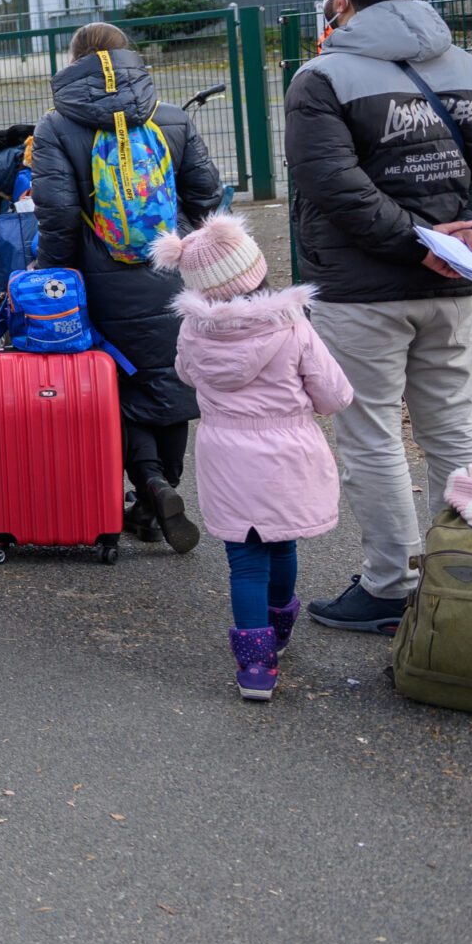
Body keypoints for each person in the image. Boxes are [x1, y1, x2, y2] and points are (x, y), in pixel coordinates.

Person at [288, 0, 472, 632]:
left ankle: (390, 585)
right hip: (453, 285)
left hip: (364, 292)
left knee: (372, 435)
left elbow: (332, 183)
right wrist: (471, 234)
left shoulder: (321, 79)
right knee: (453, 426)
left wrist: (408, 242)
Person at [30, 22, 224, 550]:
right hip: (175, 273)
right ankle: (161, 493)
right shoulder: (173, 118)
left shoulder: (56, 127)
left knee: (118, 383)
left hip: (101, 280)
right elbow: (208, 198)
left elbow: (60, 217)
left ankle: (151, 483)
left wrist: (50, 277)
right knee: (172, 377)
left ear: (74, 64)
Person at [154, 214, 354, 699]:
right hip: (287, 450)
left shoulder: (193, 332)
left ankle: (255, 669)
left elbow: (185, 373)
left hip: (225, 454)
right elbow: (333, 393)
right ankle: (280, 624)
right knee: (282, 542)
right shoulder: (292, 325)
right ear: (257, 268)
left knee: (244, 558)